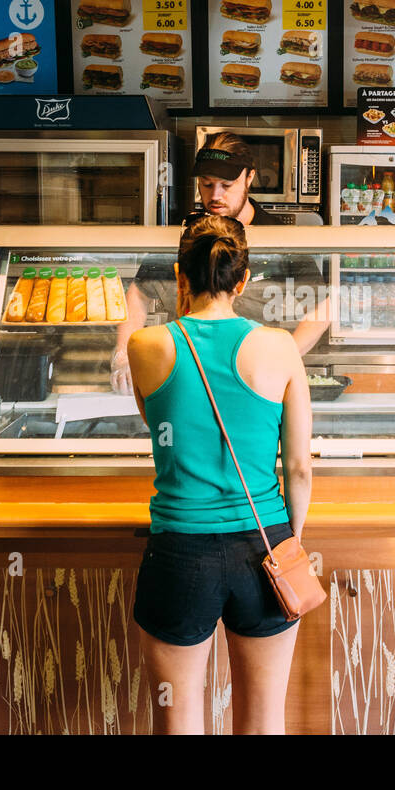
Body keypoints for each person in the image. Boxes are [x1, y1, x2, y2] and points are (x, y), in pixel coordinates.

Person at [127, 214, 313, 734]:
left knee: (178, 723)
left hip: (180, 552)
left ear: (178, 275)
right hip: (265, 547)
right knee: (262, 723)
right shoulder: (280, 347)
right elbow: (298, 467)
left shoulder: (145, 347)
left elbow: (161, 423)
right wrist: (289, 542)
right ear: (244, 279)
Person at [112, 131, 328, 393]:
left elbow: (323, 307)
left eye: (226, 185)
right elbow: (138, 292)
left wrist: (286, 356)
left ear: (249, 177)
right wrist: (123, 354)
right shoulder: (187, 233)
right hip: (188, 375)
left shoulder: (277, 237)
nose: (214, 196)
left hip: (255, 378)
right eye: (206, 184)